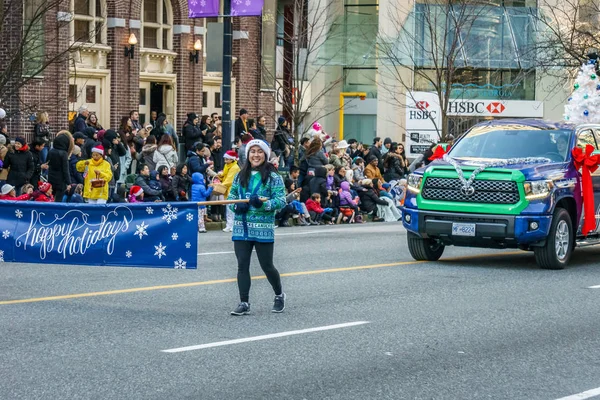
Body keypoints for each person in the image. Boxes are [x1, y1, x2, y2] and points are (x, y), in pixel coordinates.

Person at [226, 139, 287, 315]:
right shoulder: (240, 175)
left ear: (265, 155)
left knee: (267, 265)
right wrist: (236, 206)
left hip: (263, 227)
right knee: (242, 265)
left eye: (259, 151)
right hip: (241, 226)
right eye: (252, 151)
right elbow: (231, 198)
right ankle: (244, 302)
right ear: (247, 155)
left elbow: (281, 201)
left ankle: (279, 294)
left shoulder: (274, 177)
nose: (256, 155)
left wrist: (264, 205)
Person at [48, 131, 73, 202]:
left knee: (51, 197)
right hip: (60, 179)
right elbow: (65, 169)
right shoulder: (63, 153)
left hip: (51, 177)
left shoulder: (51, 151)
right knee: (59, 199)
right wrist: (69, 182)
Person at [220, 150, 241, 233]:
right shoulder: (227, 165)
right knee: (229, 209)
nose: (225, 161)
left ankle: (233, 225)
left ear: (232, 159)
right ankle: (229, 225)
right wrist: (220, 176)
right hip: (228, 189)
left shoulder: (235, 167)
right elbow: (224, 175)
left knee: (232, 209)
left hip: (233, 190)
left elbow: (229, 180)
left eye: (227, 159)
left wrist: (220, 185)